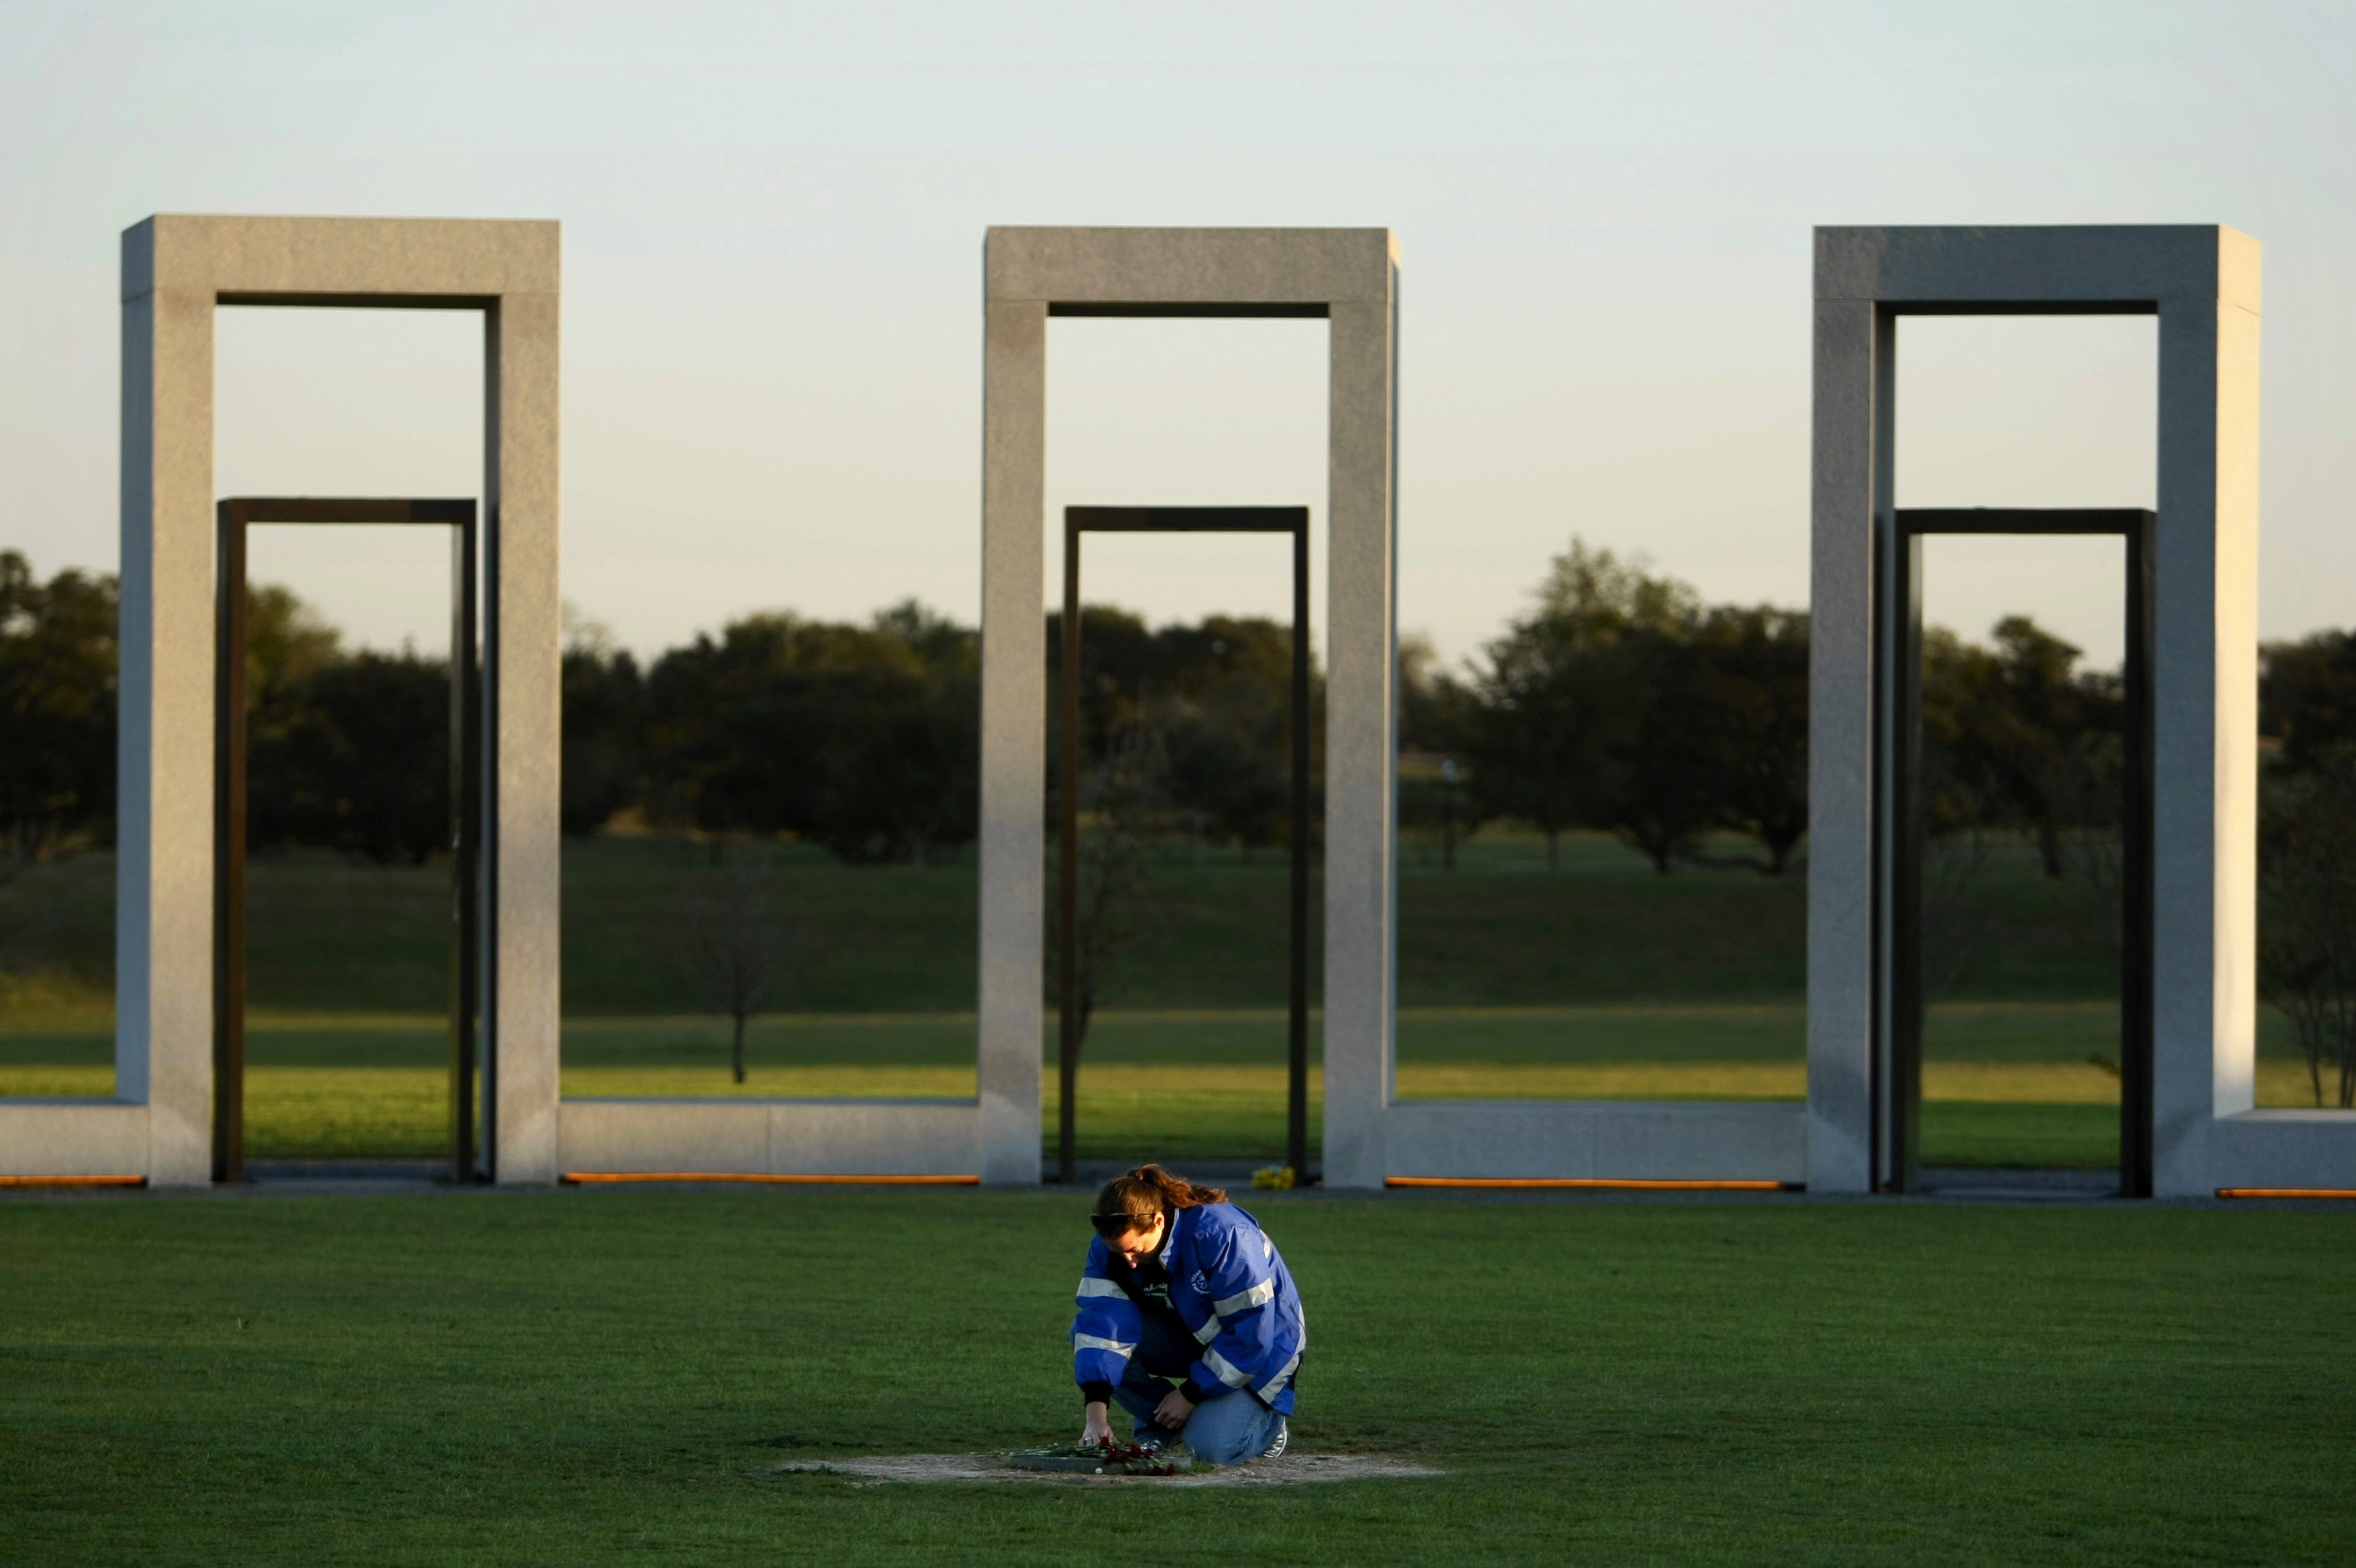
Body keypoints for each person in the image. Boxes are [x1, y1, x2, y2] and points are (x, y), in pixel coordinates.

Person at [1068, 1163, 1306, 1466]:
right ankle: (1161, 1425)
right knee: (1082, 1332)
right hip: (1197, 1337)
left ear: (1158, 1221)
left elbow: (1252, 1334)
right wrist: (1095, 1418)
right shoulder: (1112, 1246)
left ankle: (1268, 1429)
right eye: (1120, 1252)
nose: (1129, 1262)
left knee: (1210, 1450)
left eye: (1136, 1251)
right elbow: (1102, 1327)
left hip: (1267, 1347)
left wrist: (1190, 1395)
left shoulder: (1224, 1234)